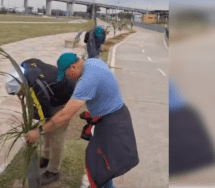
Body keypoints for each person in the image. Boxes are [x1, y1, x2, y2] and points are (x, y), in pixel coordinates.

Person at [25, 53, 139, 188]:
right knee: (101, 165)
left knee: (103, 165)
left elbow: (64, 116)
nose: (67, 77)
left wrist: (39, 132)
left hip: (113, 122)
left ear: (73, 67)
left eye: (66, 73)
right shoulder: (92, 62)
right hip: (111, 116)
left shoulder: (87, 81)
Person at [5, 58, 77, 185]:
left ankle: (54, 171)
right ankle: (46, 157)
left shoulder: (39, 87)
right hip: (53, 91)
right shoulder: (25, 66)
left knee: (56, 134)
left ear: (24, 85)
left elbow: (46, 113)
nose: (20, 95)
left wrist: (36, 131)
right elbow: (39, 110)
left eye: (20, 92)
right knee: (46, 131)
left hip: (65, 96)